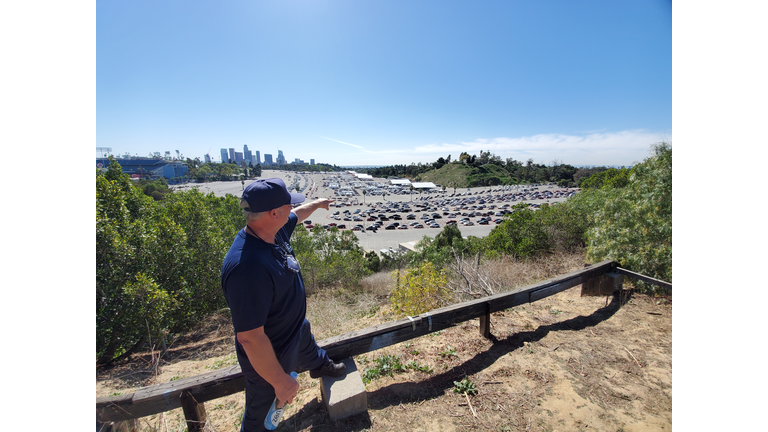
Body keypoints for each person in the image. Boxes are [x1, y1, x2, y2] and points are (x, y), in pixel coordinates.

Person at [221, 178, 346, 432]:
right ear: (273, 213)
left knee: (310, 349)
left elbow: (297, 214)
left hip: (295, 330)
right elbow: (250, 338)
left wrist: (317, 204)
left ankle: (320, 365)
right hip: (272, 356)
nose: (292, 208)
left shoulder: (272, 230)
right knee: (260, 418)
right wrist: (279, 381)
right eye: (288, 205)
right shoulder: (247, 267)